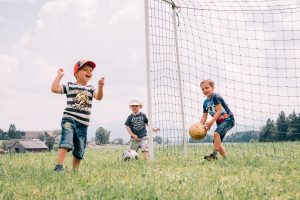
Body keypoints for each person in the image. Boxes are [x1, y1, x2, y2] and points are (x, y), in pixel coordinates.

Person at [51, 59, 105, 172]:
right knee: (66, 141)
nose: (89, 71)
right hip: (69, 119)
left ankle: (75, 171)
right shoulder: (70, 86)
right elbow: (54, 89)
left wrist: (100, 87)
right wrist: (60, 76)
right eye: (85, 69)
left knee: (80, 149)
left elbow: (99, 97)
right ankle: (58, 167)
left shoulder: (91, 89)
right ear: (76, 73)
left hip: (83, 124)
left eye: (90, 70)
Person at [200, 80, 234, 161]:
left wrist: (210, 123)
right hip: (220, 122)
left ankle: (214, 155)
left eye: (207, 88)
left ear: (212, 88)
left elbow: (219, 111)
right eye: (203, 89)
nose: (205, 90)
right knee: (216, 141)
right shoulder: (205, 103)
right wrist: (200, 127)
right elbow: (204, 116)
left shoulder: (215, 97)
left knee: (216, 133)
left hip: (228, 119)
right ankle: (226, 160)